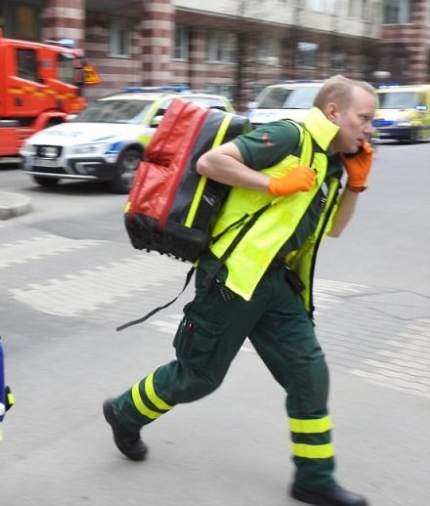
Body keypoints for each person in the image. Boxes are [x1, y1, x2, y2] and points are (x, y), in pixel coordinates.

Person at [103, 75, 376, 506]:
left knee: (309, 375)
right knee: (197, 378)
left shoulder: (330, 163)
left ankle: (314, 480)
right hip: (232, 280)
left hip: (277, 286)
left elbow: (335, 230)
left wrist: (356, 187)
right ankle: (123, 412)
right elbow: (211, 162)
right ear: (334, 112)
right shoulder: (290, 135)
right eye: (364, 117)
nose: (369, 129)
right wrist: (273, 183)